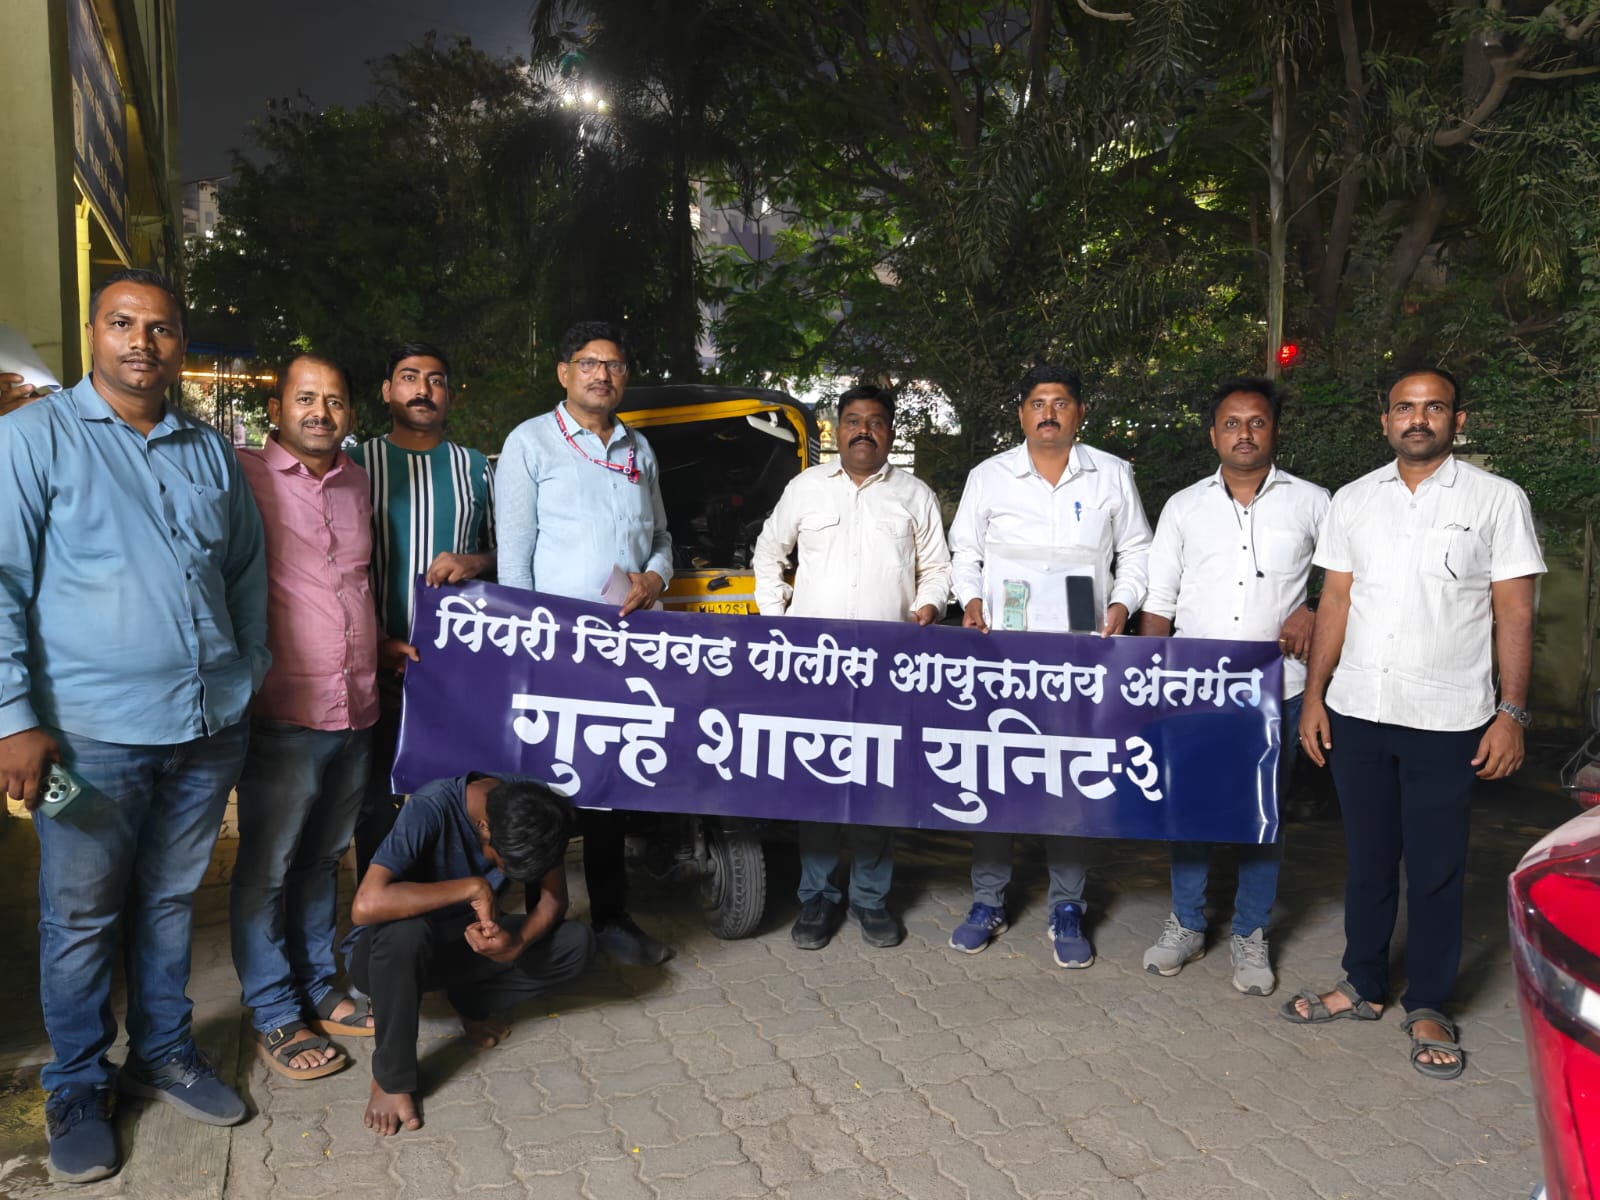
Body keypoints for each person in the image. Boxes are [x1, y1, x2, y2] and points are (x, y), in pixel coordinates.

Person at [0, 269, 268, 1182]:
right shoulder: (33, 439)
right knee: (80, 915)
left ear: (179, 344)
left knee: (167, 901)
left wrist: (249, 669)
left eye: (160, 328)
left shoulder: (209, 452)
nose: (142, 343)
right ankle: (77, 1083)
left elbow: (244, 571)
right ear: (93, 333)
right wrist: (12, 719)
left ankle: (164, 1051)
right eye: (123, 324)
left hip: (204, 729)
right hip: (85, 742)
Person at [1285, 366, 1545, 1080]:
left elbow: (1514, 612)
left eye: (1434, 407)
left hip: (1448, 717)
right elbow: (1336, 601)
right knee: (1368, 859)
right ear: (1386, 421)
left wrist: (1511, 713)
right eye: (1405, 407)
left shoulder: (1497, 499)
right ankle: (1363, 983)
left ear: (1458, 421)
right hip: (1359, 711)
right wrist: (1315, 696)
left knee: (1435, 868)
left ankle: (1428, 1001)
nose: (1418, 418)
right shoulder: (1353, 500)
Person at [946, 363, 1152, 968]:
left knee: (1067, 780)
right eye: (1038, 403)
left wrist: (1122, 604)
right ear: (1021, 413)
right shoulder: (989, 477)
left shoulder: (1111, 473)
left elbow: (1137, 550)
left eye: (1060, 402)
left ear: (1079, 413)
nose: (1049, 413)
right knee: (995, 775)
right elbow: (964, 552)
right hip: (1003, 656)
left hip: (1078, 659)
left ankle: (1067, 905)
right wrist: (972, 599)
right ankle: (988, 901)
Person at [1137, 376, 1330, 996]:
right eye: (1231, 423)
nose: (1244, 433)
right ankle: (1187, 923)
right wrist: (1151, 680)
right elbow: (1159, 598)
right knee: (1190, 808)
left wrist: (1313, 607)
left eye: (1256, 422)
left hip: (1280, 685)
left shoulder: (1314, 502)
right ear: (1213, 434)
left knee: (1262, 812)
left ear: (1275, 430)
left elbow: (1348, 580)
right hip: (1195, 685)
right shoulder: (1184, 507)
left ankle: (1250, 931)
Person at [495, 320, 675, 966]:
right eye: (590, 363)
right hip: (554, 651)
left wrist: (655, 577)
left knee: (608, 782)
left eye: (615, 365)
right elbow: (514, 558)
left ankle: (612, 919)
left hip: (624, 648)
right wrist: (525, 651)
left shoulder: (638, 449)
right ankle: (541, 925)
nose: (603, 374)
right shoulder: (530, 443)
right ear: (564, 372)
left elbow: (661, 537)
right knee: (544, 786)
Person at [752, 385, 952, 950]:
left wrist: (929, 605)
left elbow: (938, 569)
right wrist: (779, 622)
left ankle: (870, 898)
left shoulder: (914, 495)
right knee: (817, 780)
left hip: (888, 668)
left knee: (876, 782)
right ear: (836, 431)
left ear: (890, 432)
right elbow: (768, 554)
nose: (863, 430)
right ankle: (817, 897)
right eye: (853, 420)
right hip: (815, 666)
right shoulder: (805, 488)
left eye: (875, 421)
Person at [232, 353, 379, 1081]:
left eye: (335, 399)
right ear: (277, 409)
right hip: (283, 708)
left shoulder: (356, 481)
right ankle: (272, 1008)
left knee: (323, 859)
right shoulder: (242, 476)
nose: (321, 412)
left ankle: (319, 986)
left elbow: (354, 584)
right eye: (306, 398)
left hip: (357, 704)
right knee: (267, 870)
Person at [350, 775, 594, 1136]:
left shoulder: (537, 812)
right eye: (502, 864)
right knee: (407, 932)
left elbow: (554, 899)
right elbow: (365, 906)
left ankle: (470, 1000)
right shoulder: (432, 806)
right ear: (484, 827)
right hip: (387, 957)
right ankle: (391, 1079)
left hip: (464, 942)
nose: (502, 873)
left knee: (576, 943)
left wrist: (517, 942)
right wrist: (471, 888)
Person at [348, 343, 496, 874]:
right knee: (377, 806)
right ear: (387, 391)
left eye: (435, 380)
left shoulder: (474, 468)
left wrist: (475, 562)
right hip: (375, 667)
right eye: (409, 377)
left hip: (455, 674)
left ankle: (456, 908)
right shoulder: (355, 464)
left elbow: (509, 556)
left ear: (450, 395)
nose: (423, 389)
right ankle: (383, 909)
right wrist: (372, 646)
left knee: (457, 799)